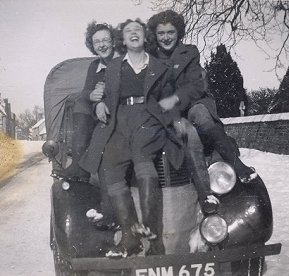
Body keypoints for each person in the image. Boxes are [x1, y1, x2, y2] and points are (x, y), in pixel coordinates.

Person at [80, 19, 184, 258]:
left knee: (141, 154)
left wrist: (177, 119)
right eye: (128, 31)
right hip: (120, 120)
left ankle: (150, 232)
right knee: (111, 166)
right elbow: (103, 95)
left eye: (137, 30)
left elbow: (169, 100)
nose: (133, 34)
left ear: (145, 37)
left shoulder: (160, 67)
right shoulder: (114, 67)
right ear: (123, 40)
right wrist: (98, 104)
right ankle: (130, 236)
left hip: (148, 117)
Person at [147, 10, 258, 187]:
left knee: (201, 114)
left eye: (170, 32)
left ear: (178, 33)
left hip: (190, 104)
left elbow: (195, 86)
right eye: (161, 33)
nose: (166, 37)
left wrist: (174, 99)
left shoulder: (189, 52)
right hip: (165, 111)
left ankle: (237, 164)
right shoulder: (149, 57)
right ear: (155, 34)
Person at [55, 21, 117, 182]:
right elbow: (85, 93)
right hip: (98, 115)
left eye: (105, 40)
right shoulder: (94, 66)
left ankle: (81, 166)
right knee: (81, 102)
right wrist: (92, 96)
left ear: (113, 41)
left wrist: (102, 99)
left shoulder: (123, 62)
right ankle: (78, 163)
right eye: (97, 42)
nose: (102, 45)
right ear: (92, 46)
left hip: (118, 111)